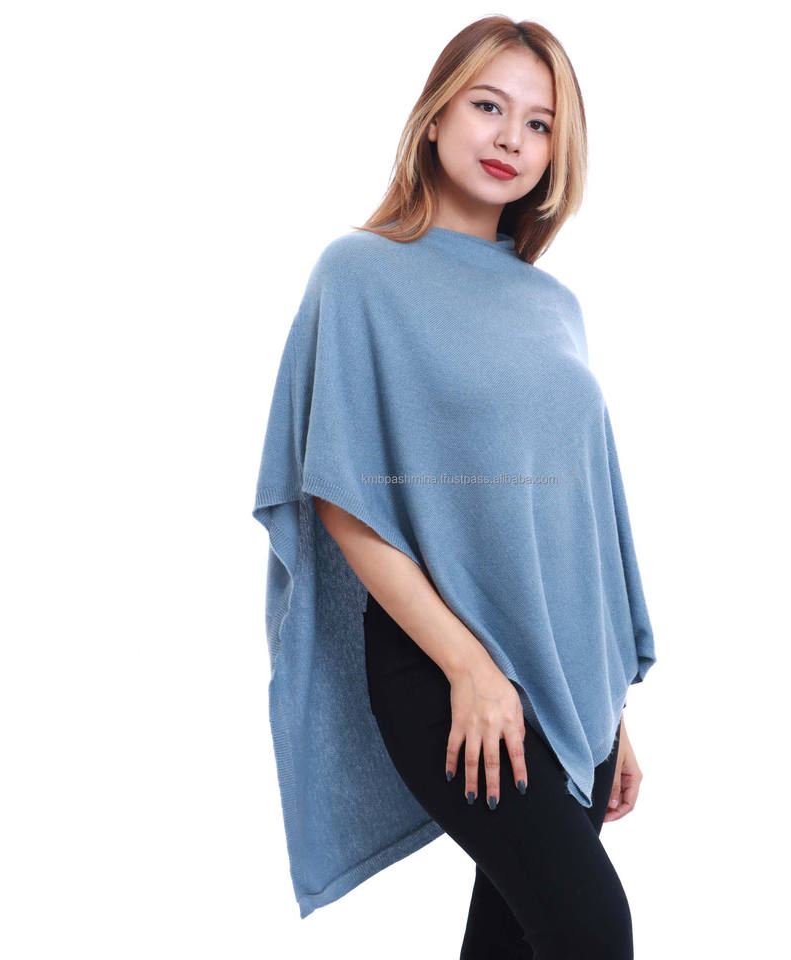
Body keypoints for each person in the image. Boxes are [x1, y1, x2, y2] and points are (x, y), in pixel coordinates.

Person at [252, 15, 657, 958]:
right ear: (434, 117)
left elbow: (571, 521)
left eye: (540, 123)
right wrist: (470, 668)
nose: (512, 137)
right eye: (487, 106)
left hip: (567, 682)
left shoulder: (554, 305)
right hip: (439, 666)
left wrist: (607, 712)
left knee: (515, 941)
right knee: (591, 928)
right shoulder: (361, 273)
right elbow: (343, 497)